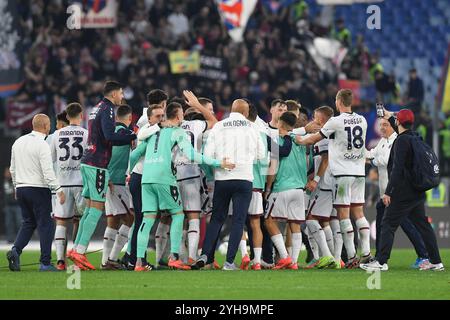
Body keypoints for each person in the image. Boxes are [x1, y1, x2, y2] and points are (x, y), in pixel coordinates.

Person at [129, 102, 234, 271]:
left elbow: (134, 154)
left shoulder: (153, 131)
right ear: (178, 116)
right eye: (182, 115)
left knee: (148, 219)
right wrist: (218, 163)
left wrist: (129, 172)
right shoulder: (177, 132)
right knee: (177, 215)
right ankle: (174, 257)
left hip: (146, 179)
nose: (183, 117)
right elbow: (192, 154)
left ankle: (139, 262)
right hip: (165, 178)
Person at [360, 109, 444, 271]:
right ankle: (436, 261)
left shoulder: (401, 141)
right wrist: (387, 114)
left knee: (388, 223)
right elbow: (398, 125)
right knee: (423, 225)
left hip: (403, 191)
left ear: (398, 123)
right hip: (417, 191)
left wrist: (388, 192)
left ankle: (381, 262)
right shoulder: (414, 136)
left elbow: (397, 170)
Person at [296, 89, 372, 268]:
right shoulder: (362, 120)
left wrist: (298, 139)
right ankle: (366, 252)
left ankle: (352, 255)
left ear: (338, 102)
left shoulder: (335, 121)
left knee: (343, 215)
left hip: (343, 174)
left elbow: (314, 138)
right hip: (359, 173)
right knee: (359, 213)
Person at [68, 81, 136, 270]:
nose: (122, 96)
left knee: (89, 209)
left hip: (87, 161)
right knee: (96, 210)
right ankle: (80, 252)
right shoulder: (108, 109)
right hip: (97, 163)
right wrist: (133, 136)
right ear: (114, 93)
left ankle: (75, 250)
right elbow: (109, 136)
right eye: (121, 92)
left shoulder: (96, 108)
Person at [192, 99, 266, 271]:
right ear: (246, 113)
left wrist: (220, 162)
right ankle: (229, 262)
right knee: (238, 221)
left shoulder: (219, 126)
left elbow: (208, 154)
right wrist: (246, 159)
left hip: (222, 178)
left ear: (232, 110)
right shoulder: (252, 127)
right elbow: (262, 155)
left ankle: (205, 255)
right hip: (244, 178)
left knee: (217, 218)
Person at [366, 117, 429, 268]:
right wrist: (358, 153)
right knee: (383, 223)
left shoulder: (396, 141)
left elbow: (388, 161)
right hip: (385, 194)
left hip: (394, 193)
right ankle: (379, 257)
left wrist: (371, 161)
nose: (382, 128)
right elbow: (372, 153)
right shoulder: (383, 141)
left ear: (393, 127)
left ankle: (423, 255)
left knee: (405, 224)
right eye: (380, 125)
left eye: (385, 125)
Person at [7, 114, 66, 272]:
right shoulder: (43, 144)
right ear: (46, 126)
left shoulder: (18, 142)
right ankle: (45, 263)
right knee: (45, 224)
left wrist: (15, 187)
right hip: (38, 189)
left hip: (21, 188)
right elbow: (47, 171)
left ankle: (15, 250)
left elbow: (12, 168)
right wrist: (58, 189)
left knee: (28, 222)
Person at [123, 104, 165, 269]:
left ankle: (135, 258)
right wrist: (159, 126)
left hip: (147, 178)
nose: (160, 119)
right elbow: (141, 134)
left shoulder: (157, 130)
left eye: (162, 116)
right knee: (142, 219)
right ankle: (135, 259)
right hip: (139, 178)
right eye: (157, 116)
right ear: (149, 118)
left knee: (143, 220)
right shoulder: (147, 129)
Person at [265, 111, 308, 270]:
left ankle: (284, 257)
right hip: (299, 189)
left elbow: (273, 166)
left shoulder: (278, 139)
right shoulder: (300, 140)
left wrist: (268, 187)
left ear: (280, 123)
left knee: (268, 220)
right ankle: (294, 262)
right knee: (294, 225)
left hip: (282, 187)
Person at [49, 103, 88, 270]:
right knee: (82, 220)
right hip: (81, 182)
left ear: (66, 116)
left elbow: (51, 159)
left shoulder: (57, 134)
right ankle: (78, 255)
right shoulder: (87, 134)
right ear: (81, 115)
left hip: (63, 183)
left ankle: (60, 261)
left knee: (61, 222)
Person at [304, 106, 339, 269]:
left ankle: (328, 256)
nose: (313, 120)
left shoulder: (325, 136)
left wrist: (316, 180)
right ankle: (335, 258)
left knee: (311, 219)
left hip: (325, 183)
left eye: (316, 117)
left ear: (323, 119)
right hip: (332, 182)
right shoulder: (330, 133)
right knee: (327, 221)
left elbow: (325, 159)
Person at [102, 105, 135, 270]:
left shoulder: (109, 133)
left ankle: (105, 261)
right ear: (129, 119)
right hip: (117, 183)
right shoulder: (126, 134)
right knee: (130, 219)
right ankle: (112, 258)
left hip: (107, 180)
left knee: (112, 221)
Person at [3, 168, 22, 243]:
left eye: (9, 172)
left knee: (19, 222)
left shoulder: (15, 181)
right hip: (8, 205)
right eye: (6, 172)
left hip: (17, 205)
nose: (7, 174)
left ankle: (20, 239)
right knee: (8, 223)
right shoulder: (4, 181)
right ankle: (10, 239)